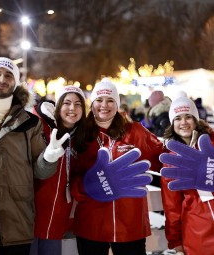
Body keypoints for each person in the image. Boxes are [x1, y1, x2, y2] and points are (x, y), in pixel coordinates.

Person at [0, 57, 62, 255]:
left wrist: (49, 157)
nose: (2, 79)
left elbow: (40, 172)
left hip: (16, 219)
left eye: (8, 75)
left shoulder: (30, 122)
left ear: (15, 82)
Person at [71, 78, 164, 255]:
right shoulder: (80, 134)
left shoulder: (135, 131)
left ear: (117, 103)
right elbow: (69, 176)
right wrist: (86, 186)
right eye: (99, 100)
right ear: (92, 103)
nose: (104, 105)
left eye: (110, 100)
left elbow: (163, 157)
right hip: (92, 223)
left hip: (129, 224)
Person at [30, 85, 88, 255]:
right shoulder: (39, 126)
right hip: (31, 216)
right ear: (58, 106)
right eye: (67, 103)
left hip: (57, 219)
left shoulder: (80, 137)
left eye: (78, 104)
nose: (72, 108)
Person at [160, 96, 214, 255]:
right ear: (172, 123)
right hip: (197, 231)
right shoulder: (171, 160)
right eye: (177, 118)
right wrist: (176, 241)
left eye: (188, 116)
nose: (183, 122)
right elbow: (172, 207)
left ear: (196, 119)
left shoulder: (212, 145)